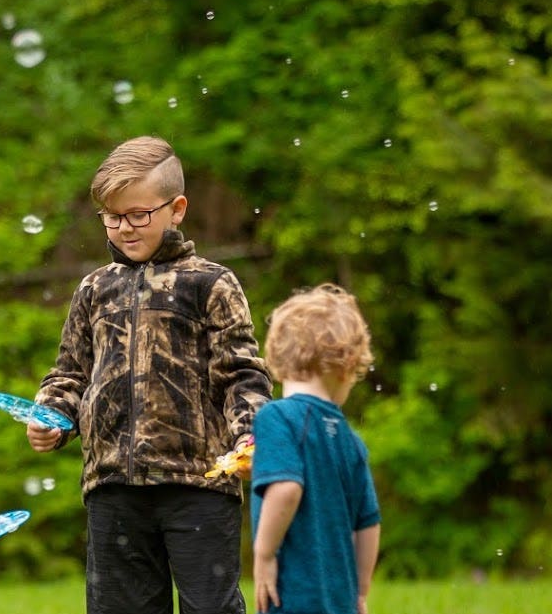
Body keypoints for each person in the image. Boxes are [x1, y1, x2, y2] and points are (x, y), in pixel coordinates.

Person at [26, 135, 272, 614]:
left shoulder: (210, 284)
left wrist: (250, 436)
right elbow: (70, 372)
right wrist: (53, 414)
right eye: (112, 217)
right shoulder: (95, 288)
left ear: (176, 209)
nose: (124, 228)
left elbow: (241, 373)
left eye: (139, 215)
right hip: (112, 485)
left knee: (211, 607)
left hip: (198, 484)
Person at [251, 284, 381, 614]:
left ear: (279, 357)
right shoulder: (352, 441)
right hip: (339, 599)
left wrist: (264, 555)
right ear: (347, 367)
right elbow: (368, 524)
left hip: (292, 593)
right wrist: (360, 592)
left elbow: (286, 488)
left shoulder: (276, 416)